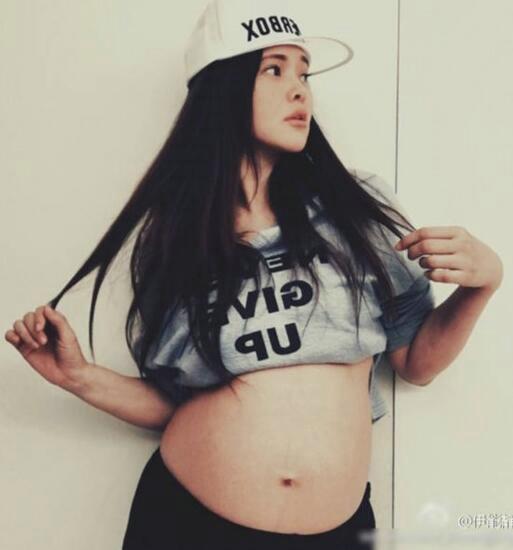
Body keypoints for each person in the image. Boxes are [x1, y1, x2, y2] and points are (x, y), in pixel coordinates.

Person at [4, 1, 503, 549]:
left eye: (304, 74)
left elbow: (416, 364)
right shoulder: (181, 238)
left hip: (334, 532)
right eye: (274, 70)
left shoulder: (355, 208)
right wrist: (79, 378)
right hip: (187, 523)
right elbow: (174, 400)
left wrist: (482, 285)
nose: (300, 91)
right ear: (223, 89)